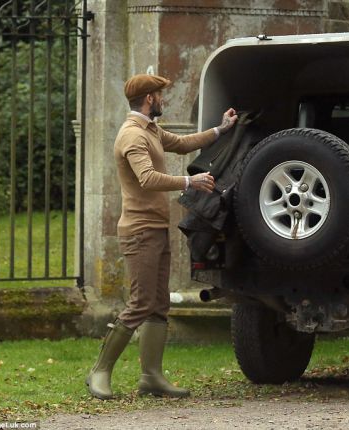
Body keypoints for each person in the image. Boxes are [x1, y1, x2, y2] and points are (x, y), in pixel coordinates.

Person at [86, 74, 237, 400]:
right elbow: (148, 178)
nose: (162, 99)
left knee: (158, 304)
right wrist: (189, 183)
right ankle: (99, 371)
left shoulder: (150, 130)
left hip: (155, 228)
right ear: (149, 99)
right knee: (141, 302)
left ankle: (151, 377)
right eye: (159, 94)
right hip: (139, 230)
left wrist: (220, 130)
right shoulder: (132, 135)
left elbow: (181, 144)